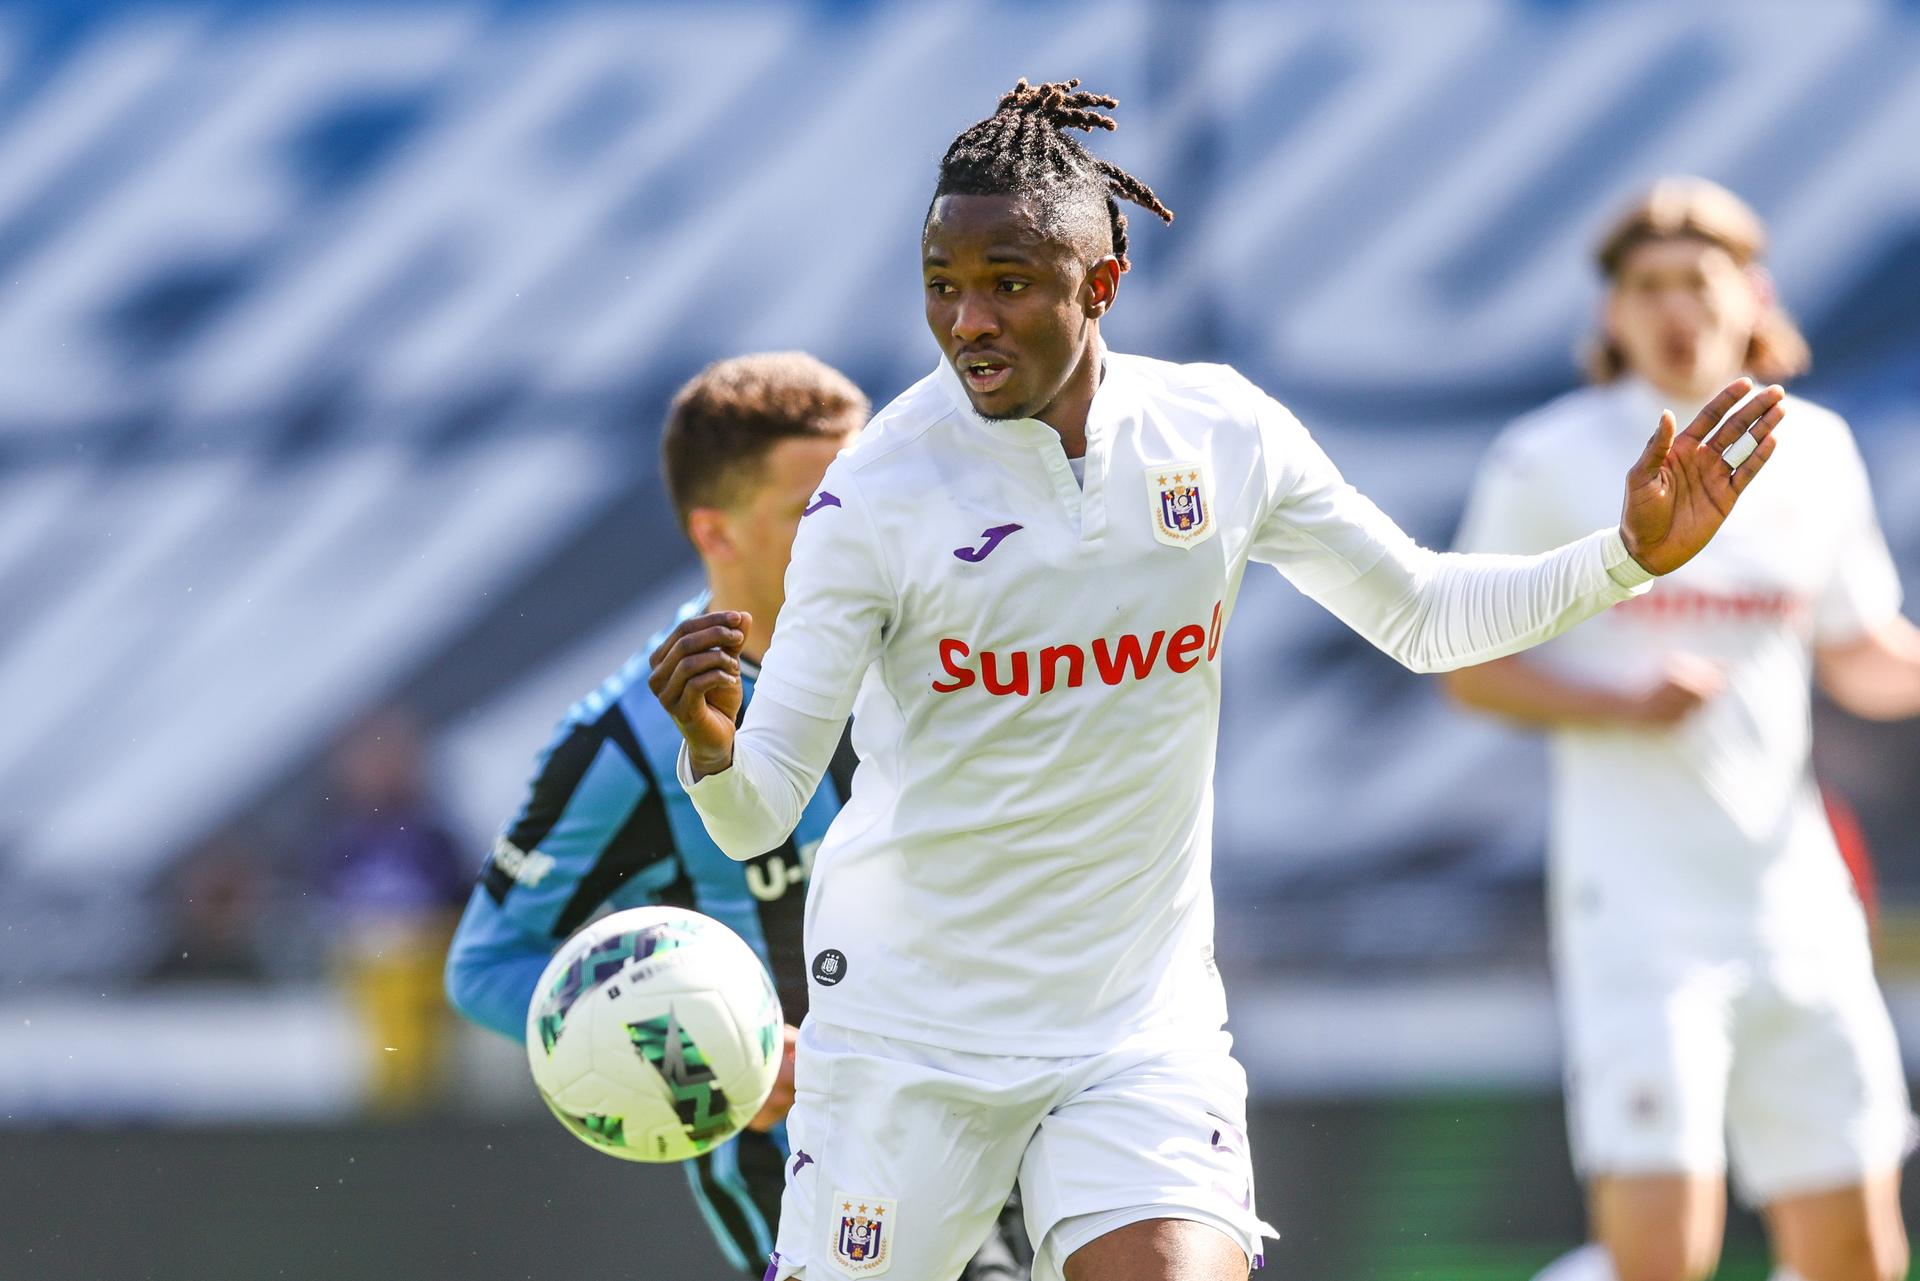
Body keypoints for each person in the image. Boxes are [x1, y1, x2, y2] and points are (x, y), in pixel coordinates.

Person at [648, 83, 1783, 1281]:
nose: (969, 319)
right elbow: (758, 806)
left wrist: (1625, 560)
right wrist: (716, 746)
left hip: (1131, 1032)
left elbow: (1427, 615)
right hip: (908, 1041)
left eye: (1009, 280)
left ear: (1103, 282)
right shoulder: (874, 496)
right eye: (942, 284)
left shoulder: (1221, 433)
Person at [446, 352, 1033, 1278]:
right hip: (817, 1165)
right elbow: (485, 964)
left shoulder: (951, 651)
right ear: (714, 531)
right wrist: (713, 1057)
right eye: (815, 511)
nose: (860, 529)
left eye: (871, 491)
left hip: (1019, 1089)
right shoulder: (629, 746)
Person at [1444, 178, 1917, 1281]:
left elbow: (1860, 651)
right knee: (1663, 1257)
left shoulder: (1821, 454)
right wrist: (1622, 704)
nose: (1673, 309)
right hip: (1639, 919)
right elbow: (1467, 671)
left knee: (1856, 1255)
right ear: (1610, 315)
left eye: (1695, 282)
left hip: (1796, 907)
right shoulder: (1546, 458)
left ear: (1750, 296)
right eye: (1643, 285)